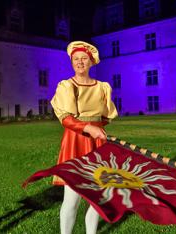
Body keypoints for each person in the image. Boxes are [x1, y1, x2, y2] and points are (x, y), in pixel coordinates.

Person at [50, 41, 118, 234]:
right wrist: (88, 127)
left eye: (84, 59)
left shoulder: (102, 87)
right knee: (72, 198)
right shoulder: (67, 86)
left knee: (97, 197)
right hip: (76, 141)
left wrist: (98, 130)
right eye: (76, 59)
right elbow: (66, 119)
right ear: (72, 62)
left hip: (97, 143)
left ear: (91, 62)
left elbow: (104, 117)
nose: (80, 62)